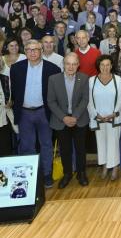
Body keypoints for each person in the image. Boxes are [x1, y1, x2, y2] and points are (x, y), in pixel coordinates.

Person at [10, 39, 61, 188]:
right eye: (29, 49)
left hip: (44, 112)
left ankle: (46, 175)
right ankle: (29, 176)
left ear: (41, 50)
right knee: (27, 146)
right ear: (25, 52)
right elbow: (14, 93)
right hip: (25, 113)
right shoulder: (16, 68)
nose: (33, 52)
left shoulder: (53, 69)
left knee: (46, 144)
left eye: (36, 49)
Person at [47, 53, 90, 189]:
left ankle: (81, 173)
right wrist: (64, 117)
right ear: (63, 64)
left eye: (74, 64)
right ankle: (67, 174)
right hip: (61, 120)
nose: (70, 67)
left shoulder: (84, 78)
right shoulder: (53, 79)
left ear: (78, 65)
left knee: (80, 148)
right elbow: (51, 101)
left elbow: (85, 99)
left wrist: (75, 116)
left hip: (79, 119)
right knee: (65, 149)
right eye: (68, 63)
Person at [87, 55, 121, 181]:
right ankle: (104, 165)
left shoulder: (118, 80)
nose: (105, 67)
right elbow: (89, 100)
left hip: (113, 118)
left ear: (112, 66)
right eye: (102, 65)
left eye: (108, 65)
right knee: (101, 142)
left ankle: (114, 167)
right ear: (99, 66)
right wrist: (95, 114)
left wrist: (114, 113)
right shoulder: (91, 80)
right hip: (99, 118)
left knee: (113, 143)